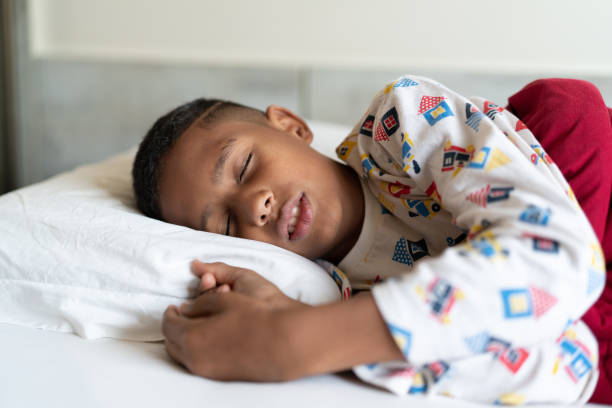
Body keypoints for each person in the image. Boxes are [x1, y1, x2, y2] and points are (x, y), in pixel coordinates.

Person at [132, 75, 611, 404]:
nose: (254, 206)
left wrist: (290, 340)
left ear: (292, 127)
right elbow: (573, 366)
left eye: (244, 166)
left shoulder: (399, 124)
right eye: (228, 226)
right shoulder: (340, 299)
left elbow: (556, 262)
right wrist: (305, 323)